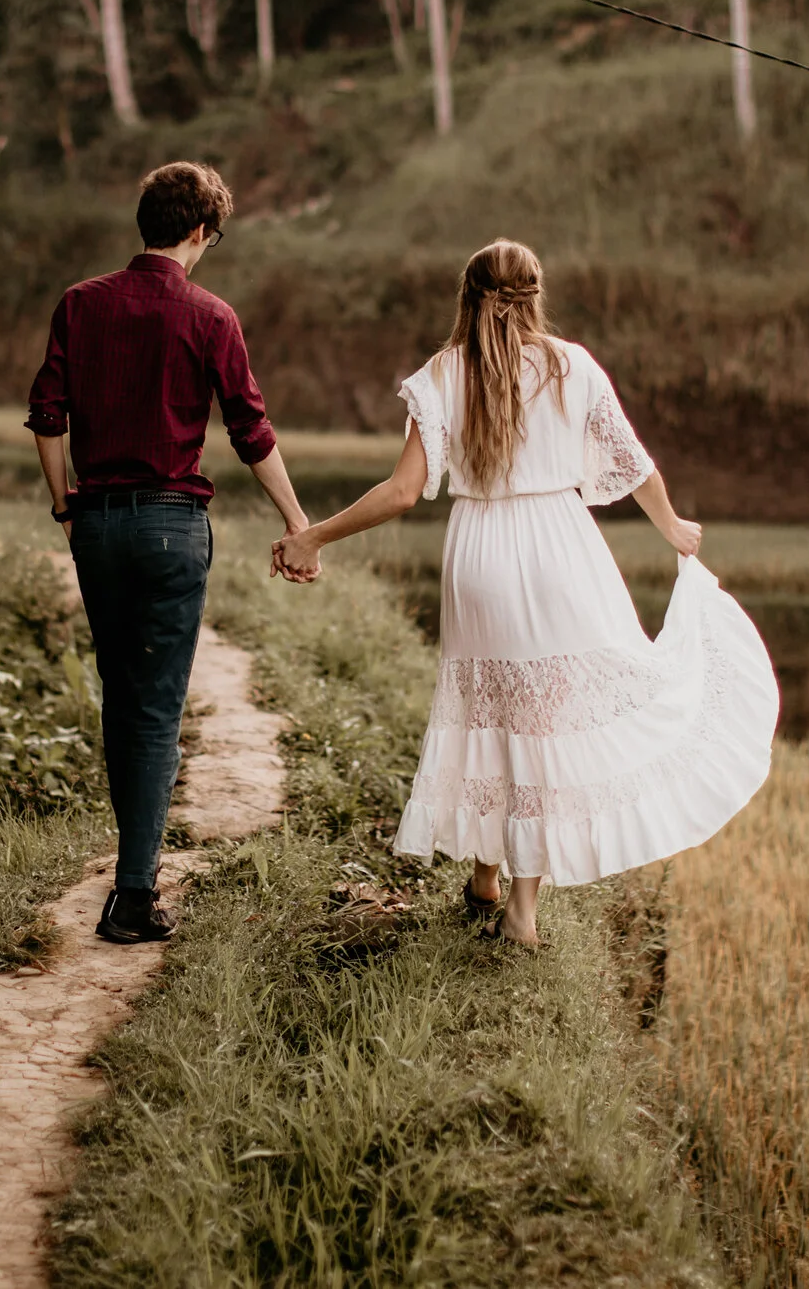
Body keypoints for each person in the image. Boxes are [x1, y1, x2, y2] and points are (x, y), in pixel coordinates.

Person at [272, 240, 778, 946]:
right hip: (561, 550)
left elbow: (402, 491)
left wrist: (314, 536)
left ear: (466, 294)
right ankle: (521, 909)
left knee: (491, 711)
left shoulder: (444, 373)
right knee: (542, 725)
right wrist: (673, 529)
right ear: (536, 293)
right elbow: (636, 466)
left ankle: (484, 873)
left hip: (479, 554)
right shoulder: (573, 365)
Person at [27, 161, 311, 945]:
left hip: (98, 526)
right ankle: (132, 896)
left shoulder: (80, 303)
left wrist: (66, 505)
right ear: (198, 232)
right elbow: (250, 430)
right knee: (154, 711)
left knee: (123, 697)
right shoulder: (211, 316)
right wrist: (298, 523)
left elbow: (48, 415)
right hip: (171, 526)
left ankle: (130, 872)